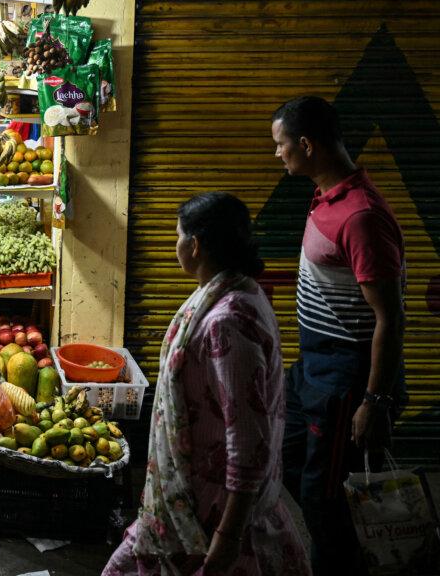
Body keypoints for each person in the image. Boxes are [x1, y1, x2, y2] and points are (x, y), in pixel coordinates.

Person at [104, 192, 310, 576]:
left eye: (178, 236)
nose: (175, 245)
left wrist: (227, 535)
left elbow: (248, 440)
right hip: (200, 498)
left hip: (209, 509)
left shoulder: (226, 322)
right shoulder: (240, 292)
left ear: (195, 245)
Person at [271, 96, 406, 576]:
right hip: (313, 367)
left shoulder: (361, 216)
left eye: (281, 145)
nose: (277, 154)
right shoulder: (327, 193)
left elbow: (389, 318)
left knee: (324, 498)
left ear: (306, 146)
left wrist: (374, 400)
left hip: (345, 380)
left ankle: (340, 562)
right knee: (280, 454)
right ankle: (344, 545)